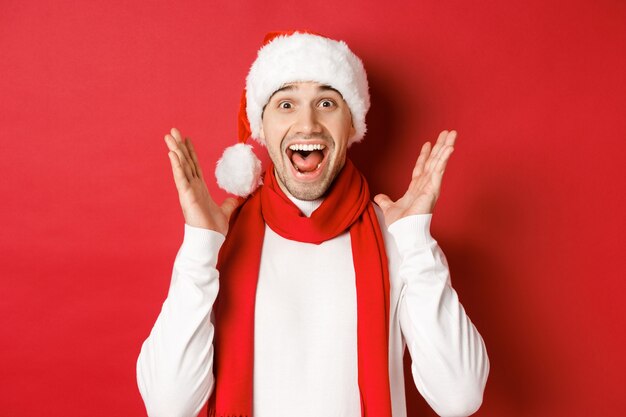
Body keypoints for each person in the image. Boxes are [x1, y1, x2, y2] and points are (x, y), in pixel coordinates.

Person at [137, 31, 490, 417]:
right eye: (286, 104)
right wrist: (200, 246)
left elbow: (460, 397)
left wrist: (416, 243)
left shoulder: (398, 239)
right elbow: (168, 406)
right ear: (262, 127)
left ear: (352, 125)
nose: (307, 124)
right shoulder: (221, 237)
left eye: (326, 102)